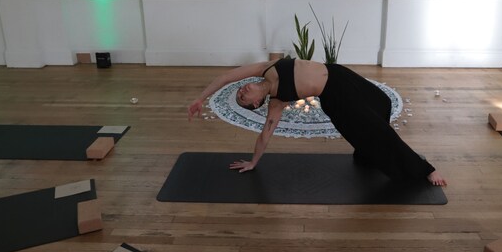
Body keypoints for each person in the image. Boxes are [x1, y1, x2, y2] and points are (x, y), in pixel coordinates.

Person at [188, 57, 446, 186]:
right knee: (377, 129)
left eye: (241, 91)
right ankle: (424, 169)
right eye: (243, 99)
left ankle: (370, 153)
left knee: (382, 103)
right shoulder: (277, 102)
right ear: (256, 104)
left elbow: (226, 77)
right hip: (336, 96)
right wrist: (253, 162)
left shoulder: (264, 68)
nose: (242, 91)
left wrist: (200, 98)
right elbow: (265, 135)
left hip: (339, 73)